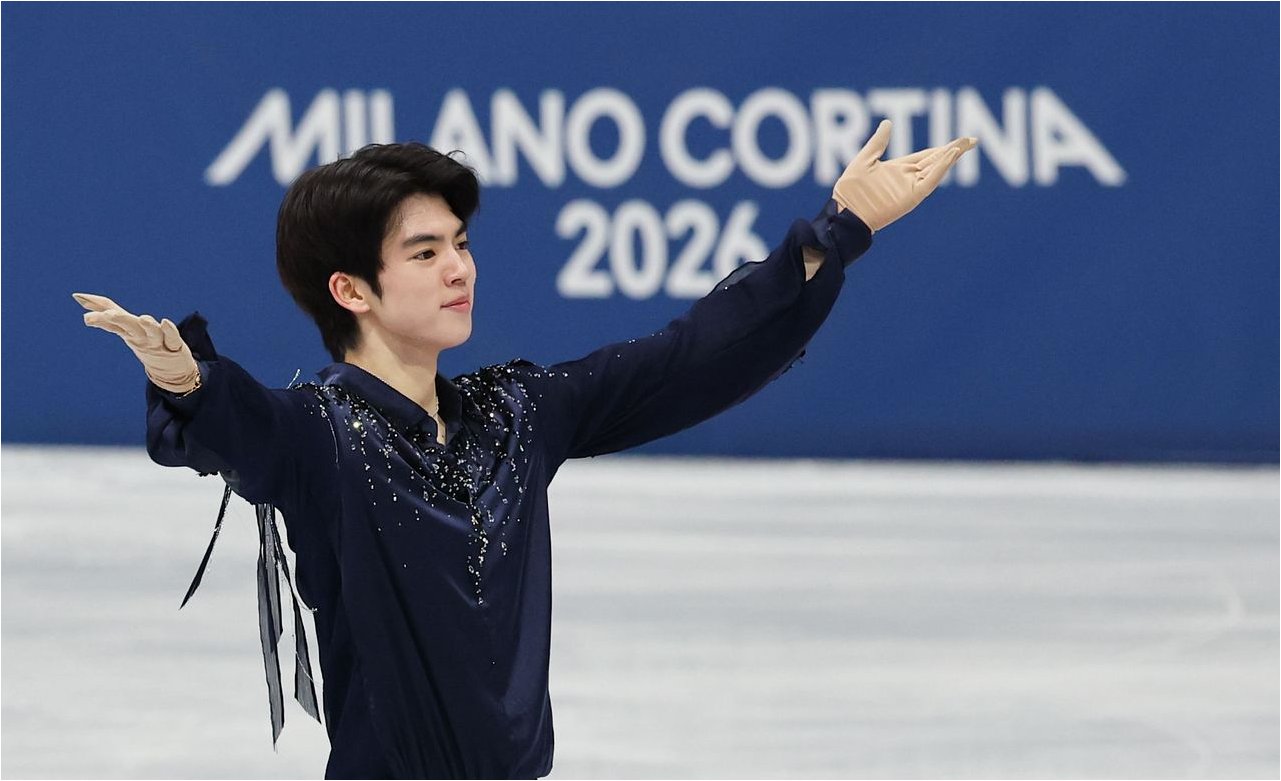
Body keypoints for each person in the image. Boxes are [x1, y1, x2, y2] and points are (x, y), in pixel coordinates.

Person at [75, 120, 977, 779]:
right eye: (424, 253)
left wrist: (838, 230)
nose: (459, 268)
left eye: (459, 244)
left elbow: (687, 358)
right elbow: (245, 427)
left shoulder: (514, 412)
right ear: (350, 289)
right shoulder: (322, 436)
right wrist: (186, 379)